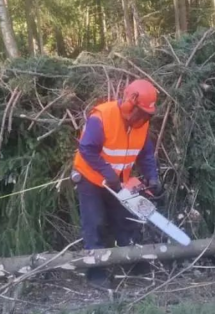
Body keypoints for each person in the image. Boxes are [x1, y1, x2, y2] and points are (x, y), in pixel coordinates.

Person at [71, 79, 164, 289]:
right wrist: (107, 173)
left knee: (126, 220)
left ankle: (130, 259)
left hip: (117, 181)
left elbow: (146, 153)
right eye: (138, 113)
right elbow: (86, 149)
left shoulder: (142, 125)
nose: (140, 118)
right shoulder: (102, 117)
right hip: (90, 179)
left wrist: (152, 177)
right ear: (129, 102)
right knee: (94, 222)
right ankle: (95, 270)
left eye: (145, 115)